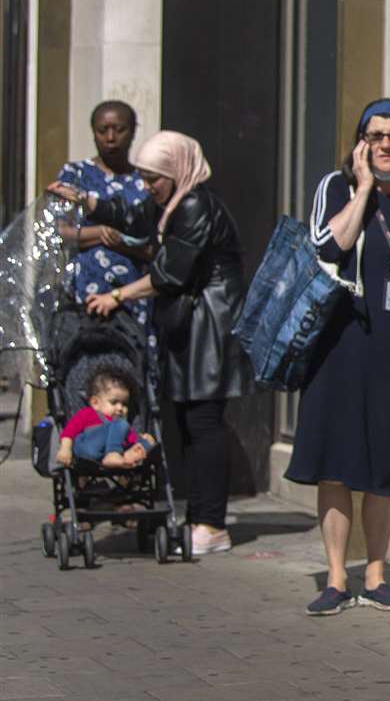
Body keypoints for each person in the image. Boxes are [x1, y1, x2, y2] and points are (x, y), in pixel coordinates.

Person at [48, 131, 252, 556]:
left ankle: (212, 523)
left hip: (208, 328)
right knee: (187, 424)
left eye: (153, 178)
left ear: (176, 172)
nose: (147, 186)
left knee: (204, 424)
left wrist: (116, 295)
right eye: (141, 177)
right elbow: (131, 215)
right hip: (188, 326)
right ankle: (197, 516)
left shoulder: (195, 205)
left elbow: (169, 274)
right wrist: (83, 200)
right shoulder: (169, 205)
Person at [287, 99, 390, 616]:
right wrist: (365, 187)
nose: (385, 144)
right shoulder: (336, 188)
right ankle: (336, 576)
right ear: (361, 143)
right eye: (374, 136)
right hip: (335, 348)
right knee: (334, 465)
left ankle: (376, 573)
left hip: (389, 352)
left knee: (382, 463)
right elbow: (331, 247)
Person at [56, 101, 156, 350]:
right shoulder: (76, 175)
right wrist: (99, 234)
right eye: (103, 130)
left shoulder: (145, 182)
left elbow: (155, 247)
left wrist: (123, 243)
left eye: (119, 129)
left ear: (133, 131)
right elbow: (60, 232)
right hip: (85, 292)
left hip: (132, 295)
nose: (110, 138)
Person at [56, 367, 157, 469]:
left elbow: (132, 439)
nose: (120, 408)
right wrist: (65, 449)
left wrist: (144, 439)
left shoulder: (121, 426)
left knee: (147, 444)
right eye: (114, 402)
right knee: (121, 424)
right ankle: (113, 454)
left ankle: (128, 457)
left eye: (124, 404)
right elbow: (69, 432)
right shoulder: (88, 414)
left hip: (106, 455)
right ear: (95, 402)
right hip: (87, 447)